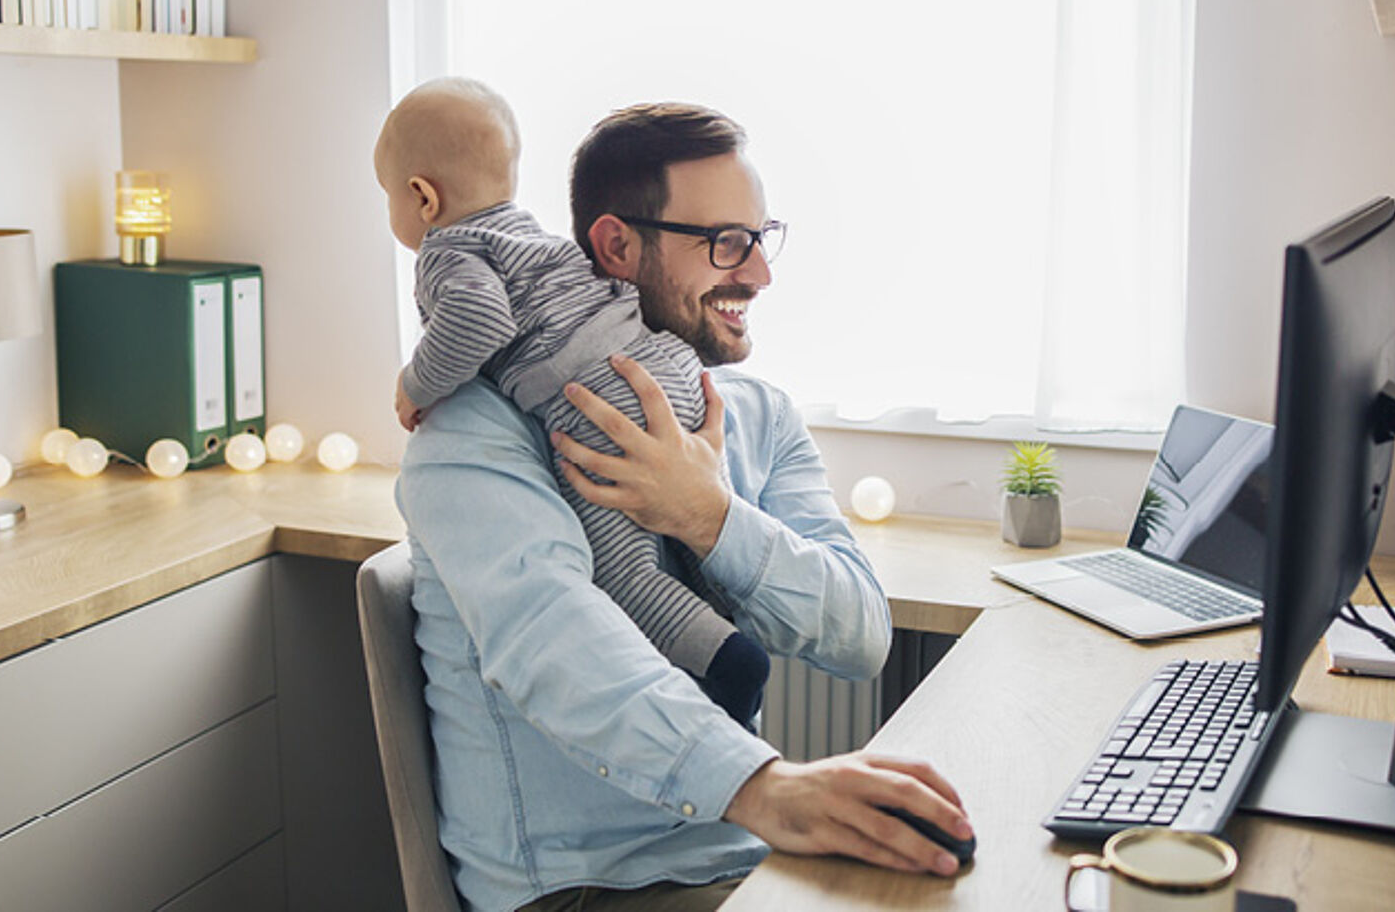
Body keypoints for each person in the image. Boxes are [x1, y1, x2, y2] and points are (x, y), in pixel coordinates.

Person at [396, 101, 971, 912]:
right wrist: (765, 789)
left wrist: (708, 514)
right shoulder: (474, 428)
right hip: (588, 888)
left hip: (737, 858)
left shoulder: (758, 412)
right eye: (725, 243)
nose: (760, 275)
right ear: (616, 247)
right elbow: (552, 641)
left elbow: (862, 635)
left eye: (761, 238)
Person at [378, 77, 769, 725]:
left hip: (605, 399)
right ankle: (724, 621)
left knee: (621, 570)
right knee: (687, 534)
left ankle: (729, 664)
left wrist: (415, 383)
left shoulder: (451, 251)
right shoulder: (532, 238)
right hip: (665, 366)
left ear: (421, 196)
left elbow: (478, 323)